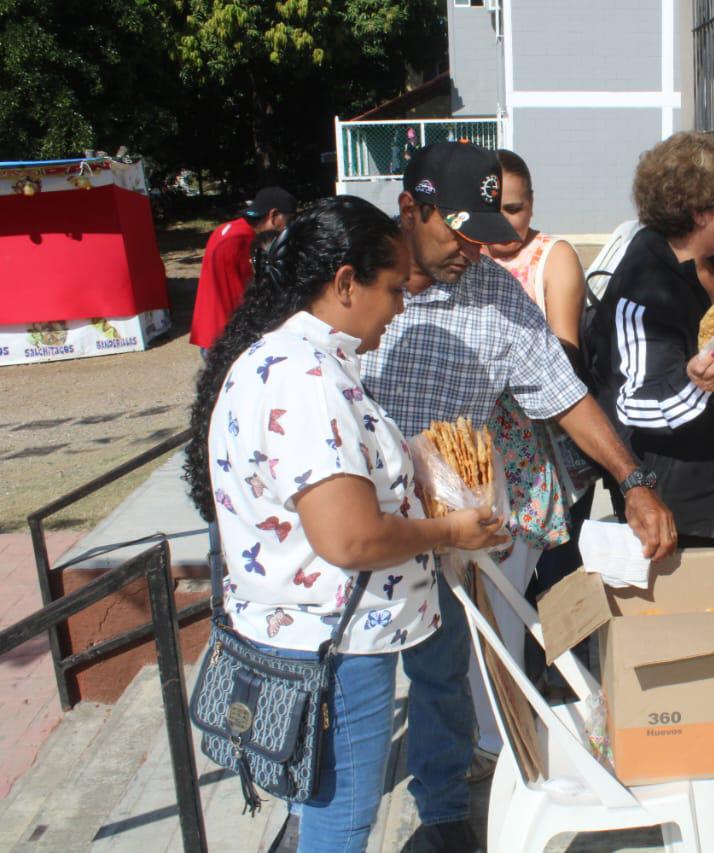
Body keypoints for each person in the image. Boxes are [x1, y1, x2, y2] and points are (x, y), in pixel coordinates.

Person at [359, 141, 677, 853]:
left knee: (446, 675)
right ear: (412, 207)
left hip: (449, 527)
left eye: (486, 235)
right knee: (358, 695)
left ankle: (444, 812)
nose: (473, 249)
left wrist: (633, 479)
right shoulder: (353, 281)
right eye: (458, 232)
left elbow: (564, 394)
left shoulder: (495, 291)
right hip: (356, 531)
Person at [182, 196, 505, 852]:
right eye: (392, 287)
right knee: (340, 820)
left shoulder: (291, 360)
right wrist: (450, 533)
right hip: (337, 645)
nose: (400, 306)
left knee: (332, 811)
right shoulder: (305, 378)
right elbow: (350, 537)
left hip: (318, 633)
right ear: (345, 283)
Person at [587, 131, 714, 547]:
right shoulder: (643, 293)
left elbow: (712, 289)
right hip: (668, 488)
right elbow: (634, 404)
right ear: (698, 212)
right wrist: (695, 385)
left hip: (711, 461)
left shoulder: (701, 259)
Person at [482, 148, 597, 694]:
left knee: (558, 574)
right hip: (491, 456)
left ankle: (569, 682)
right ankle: (511, 689)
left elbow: (565, 357)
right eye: (496, 208)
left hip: (554, 446)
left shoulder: (553, 256)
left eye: (517, 207)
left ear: (532, 204)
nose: (507, 222)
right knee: (504, 584)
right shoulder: (469, 257)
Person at [190, 186, 297, 352]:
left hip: (212, 326)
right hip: (224, 334)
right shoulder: (239, 240)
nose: (286, 228)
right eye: (288, 220)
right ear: (274, 215)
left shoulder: (229, 229)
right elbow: (242, 295)